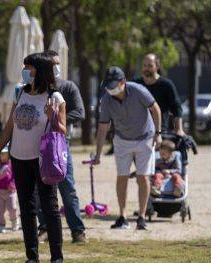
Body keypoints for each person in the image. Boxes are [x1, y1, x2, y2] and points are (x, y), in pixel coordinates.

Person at [0, 53, 66, 263]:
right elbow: (10, 125)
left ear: (39, 71)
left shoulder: (55, 97)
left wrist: (52, 115)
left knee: (49, 206)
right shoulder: (21, 92)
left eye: (28, 67)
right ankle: (32, 256)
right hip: (19, 157)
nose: (24, 71)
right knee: (26, 207)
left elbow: (62, 130)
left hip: (43, 160)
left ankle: (56, 256)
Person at [93, 66, 162, 230]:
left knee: (142, 177)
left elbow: (155, 109)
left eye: (113, 84)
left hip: (145, 137)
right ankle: (123, 216)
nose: (110, 88)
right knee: (122, 176)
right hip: (122, 140)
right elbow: (103, 127)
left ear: (123, 82)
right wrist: (98, 154)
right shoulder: (106, 100)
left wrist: (158, 133)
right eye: (107, 85)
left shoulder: (139, 91)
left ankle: (141, 217)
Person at [37, 50, 87, 243]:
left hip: (61, 143)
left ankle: (77, 230)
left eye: (58, 64)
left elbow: (80, 112)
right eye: (52, 64)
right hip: (39, 143)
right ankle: (44, 227)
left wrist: (58, 117)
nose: (56, 68)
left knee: (67, 186)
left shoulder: (68, 87)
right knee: (41, 187)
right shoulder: (36, 88)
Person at [134, 53, 185, 137]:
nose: (146, 68)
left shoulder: (166, 85)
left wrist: (179, 129)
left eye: (150, 66)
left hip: (160, 130)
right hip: (138, 131)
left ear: (157, 66)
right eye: (144, 65)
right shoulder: (135, 83)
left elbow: (176, 108)